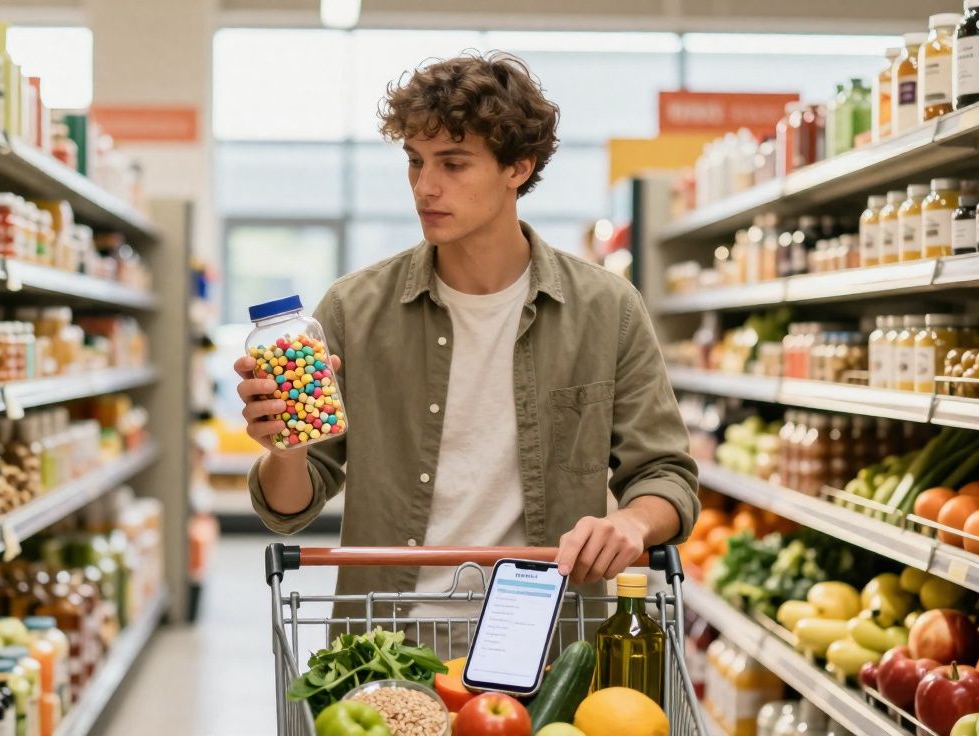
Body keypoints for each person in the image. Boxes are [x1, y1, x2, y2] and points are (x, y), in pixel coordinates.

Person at [235, 52, 698, 649]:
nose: (425, 187)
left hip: (550, 645)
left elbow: (666, 473)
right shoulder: (353, 310)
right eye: (415, 162)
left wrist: (632, 521)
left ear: (518, 167)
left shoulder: (607, 310)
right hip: (387, 646)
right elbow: (289, 508)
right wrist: (285, 449)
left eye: (453, 164)